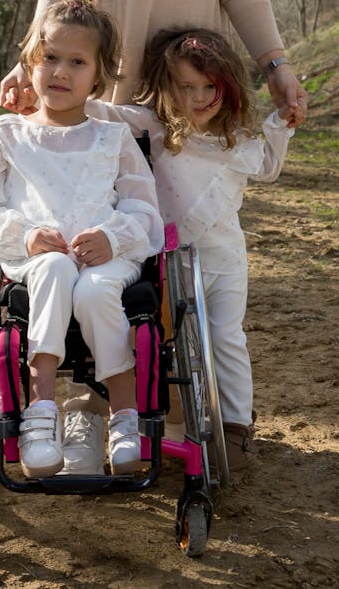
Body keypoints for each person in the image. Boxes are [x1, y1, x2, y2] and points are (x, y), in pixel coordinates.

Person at [0, 0, 308, 471]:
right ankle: (108, 413)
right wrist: (30, 56)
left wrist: (274, 64)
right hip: (108, 102)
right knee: (107, 259)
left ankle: (216, 421)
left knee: (191, 264)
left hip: (187, 106)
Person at [0, 0, 164, 478]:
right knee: (53, 267)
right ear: (31, 60)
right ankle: (40, 413)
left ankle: (124, 417)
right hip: (35, 262)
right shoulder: (4, 136)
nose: (60, 72)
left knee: (96, 290)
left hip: (107, 259)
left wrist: (113, 238)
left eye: (77, 62)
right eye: (50, 57)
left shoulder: (113, 138)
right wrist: (26, 235)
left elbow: (145, 210)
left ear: (99, 75)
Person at [87, 27, 300, 470]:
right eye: (188, 87)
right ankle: (170, 424)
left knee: (225, 337)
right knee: (165, 342)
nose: (201, 98)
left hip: (224, 258)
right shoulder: (152, 126)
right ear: (168, 88)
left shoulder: (235, 140)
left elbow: (268, 168)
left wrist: (280, 122)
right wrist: (42, 96)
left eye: (210, 88)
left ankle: (237, 426)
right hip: (167, 261)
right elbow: (101, 112)